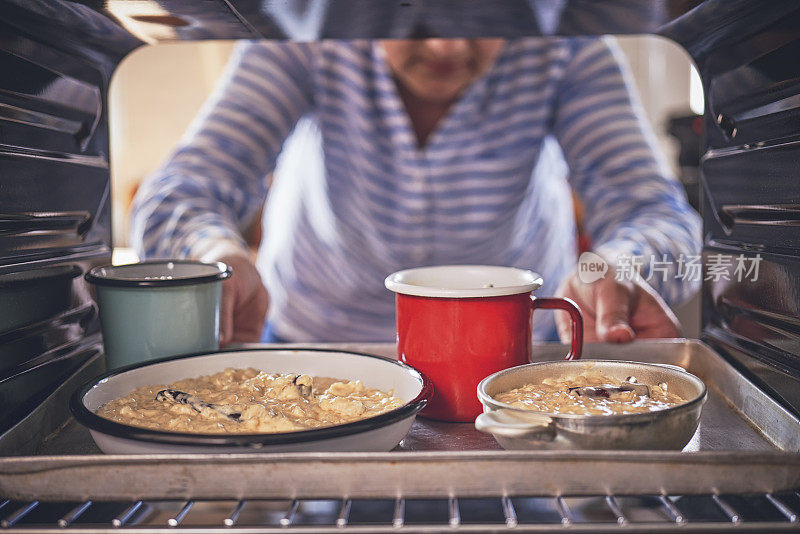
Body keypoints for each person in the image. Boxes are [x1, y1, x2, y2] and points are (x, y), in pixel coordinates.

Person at [131, 37, 701, 346]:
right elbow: (177, 194)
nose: (448, 44)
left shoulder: (570, 48)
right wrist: (217, 257)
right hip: (314, 343)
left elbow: (658, 213)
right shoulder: (302, 34)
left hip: (516, 353)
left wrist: (620, 269)